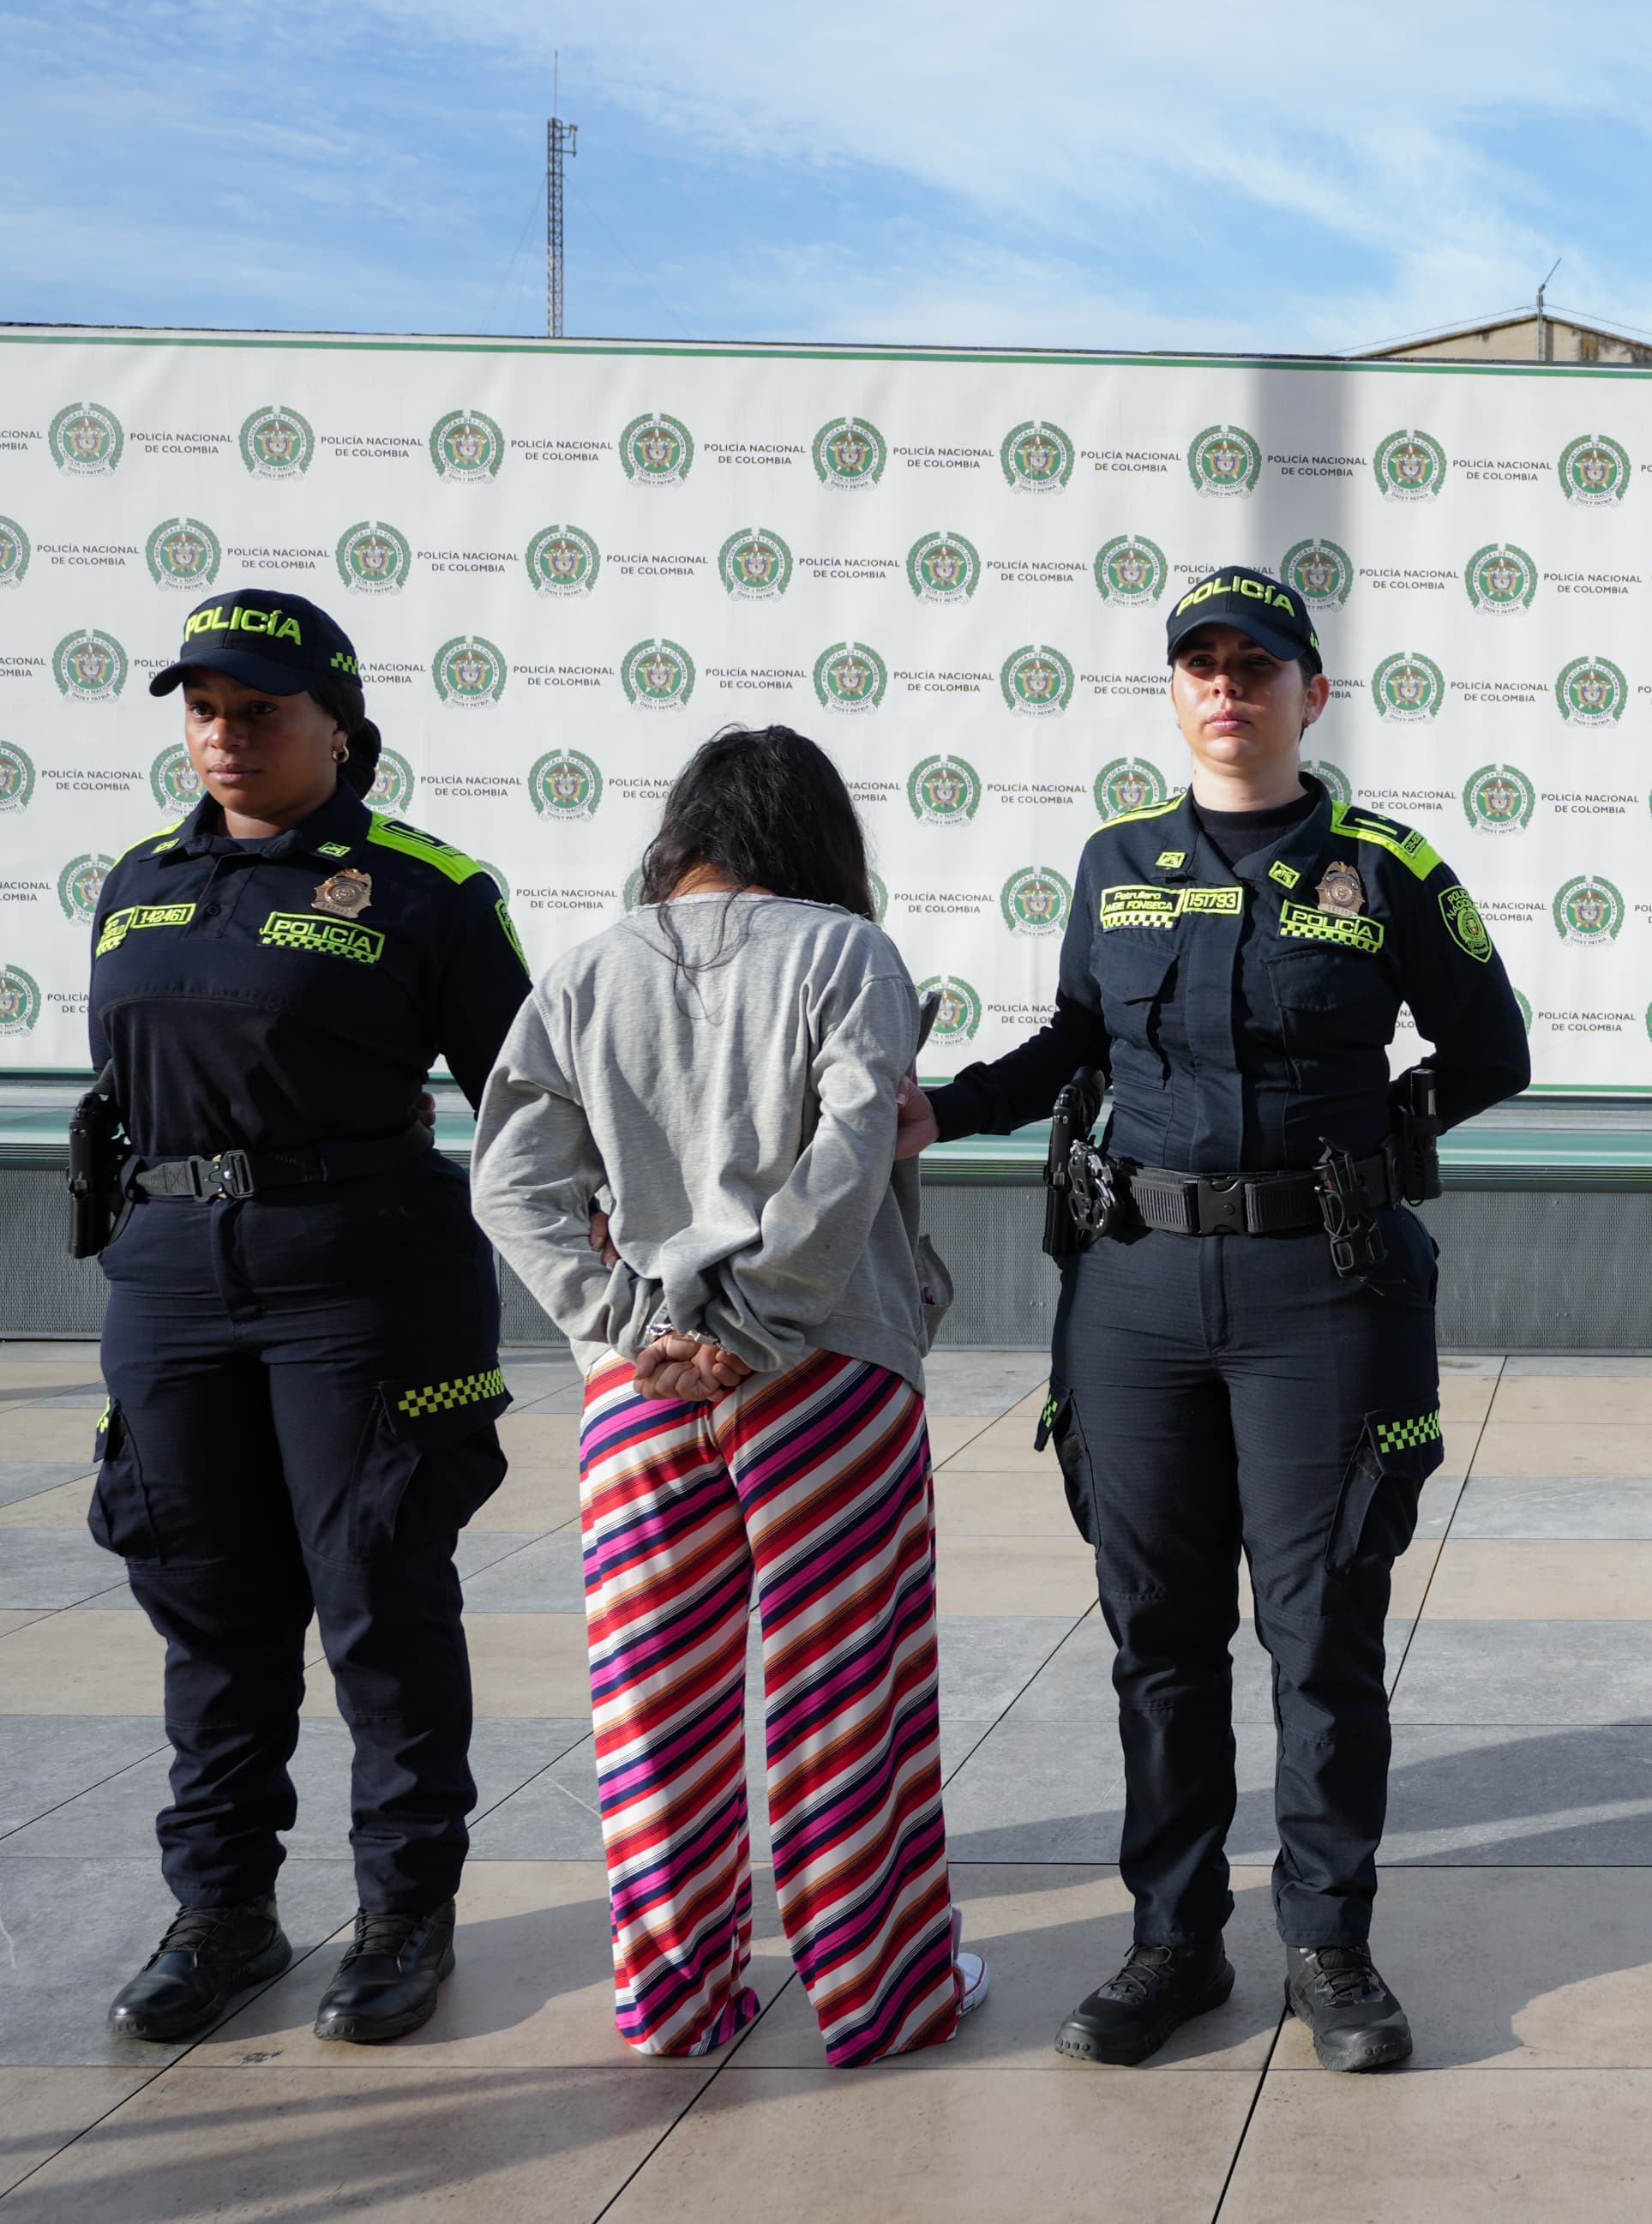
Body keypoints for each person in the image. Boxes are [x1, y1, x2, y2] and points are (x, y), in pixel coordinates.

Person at [922, 565, 1529, 2073]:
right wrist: (938, 1111)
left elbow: (1491, 1045)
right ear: (1175, 691)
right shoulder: (1115, 859)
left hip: (1318, 1290)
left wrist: (1382, 1140)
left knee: (1322, 1633)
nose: (1227, 687)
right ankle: (1174, 1940)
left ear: (1311, 695)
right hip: (1132, 1291)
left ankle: (1329, 1940)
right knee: (1158, 1636)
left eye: (1258, 666)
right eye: (1200, 663)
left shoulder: (1384, 863)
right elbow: (1075, 1039)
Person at [470, 725, 981, 2065]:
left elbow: (507, 1185)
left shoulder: (587, 970)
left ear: (682, 828)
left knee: (650, 1708)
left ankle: (676, 2003)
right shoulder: (844, 952)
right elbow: (851, 1147)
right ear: (819, 837)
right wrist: (754, 1324)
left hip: (640, 1395)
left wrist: (626, 1327)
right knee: (843, 1698)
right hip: (826, 1377)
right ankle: (880, 1995)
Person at [81, 588, 529, 2046]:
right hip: (168, 1277)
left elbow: (525, 1108)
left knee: (380, 1602)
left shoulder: (427, 888)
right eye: (204, 709)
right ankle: (225, 1908)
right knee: (206, 1609)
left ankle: (405, 1910)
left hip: (358, 1275)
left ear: (337, 723)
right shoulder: (139, 878)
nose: (226, 734)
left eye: (260, 709)